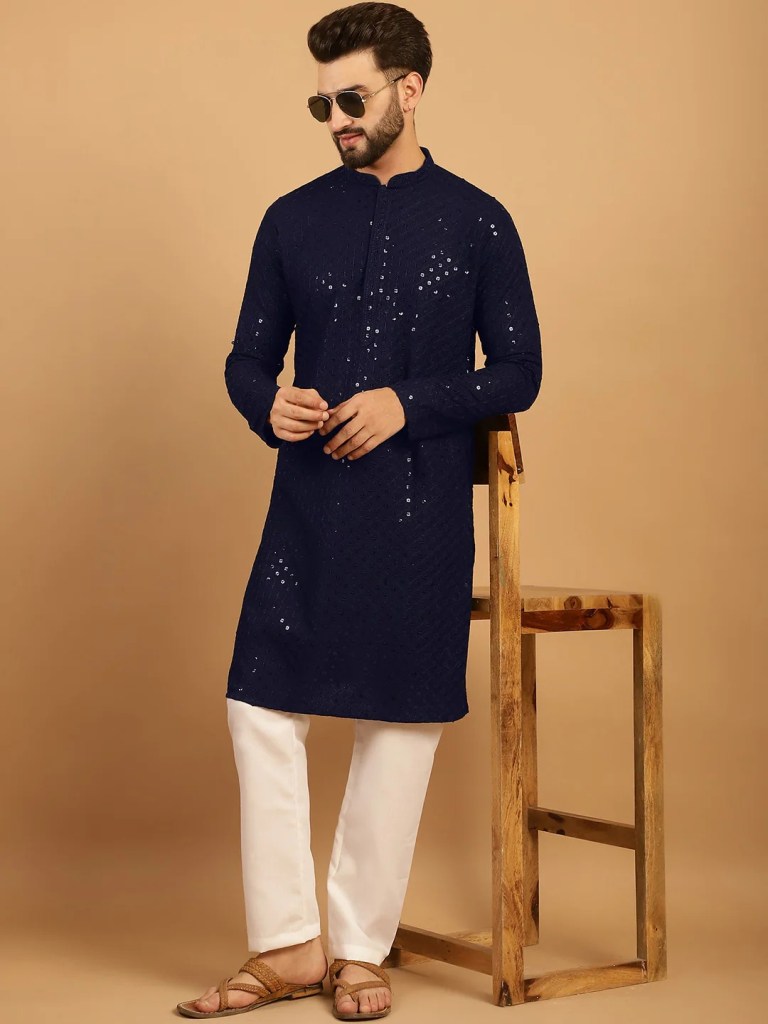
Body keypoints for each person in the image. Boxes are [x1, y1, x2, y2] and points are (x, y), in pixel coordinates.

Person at [177, 2, 542, 1019]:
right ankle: (288, 944)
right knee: (259, 704)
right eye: (321, 104)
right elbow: (246, 357)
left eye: (352, 98)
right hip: (309, 504)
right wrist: (268, 402)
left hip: (420, 513)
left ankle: (359, 949)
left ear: (408, 90)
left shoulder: (477, 219)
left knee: (402, 717)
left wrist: (407, 403)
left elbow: (519, 369)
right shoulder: (292, 219)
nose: (335, 119)